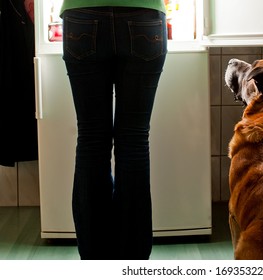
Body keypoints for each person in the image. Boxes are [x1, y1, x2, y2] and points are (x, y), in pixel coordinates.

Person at [60, 0, 167, 260]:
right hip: (144, 13)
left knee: (91, 139)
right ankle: (132, 259)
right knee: (134, 141)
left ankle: (95, 258)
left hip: (81, 13)